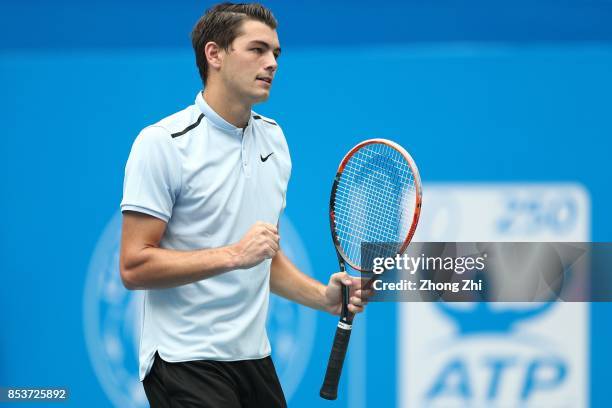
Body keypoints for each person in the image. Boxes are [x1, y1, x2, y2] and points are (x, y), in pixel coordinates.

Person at [119, 3, 369, 407]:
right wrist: (235, 254)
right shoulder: (163, 143)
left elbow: (264, 259)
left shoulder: (274, 141)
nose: (271, 63)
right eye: (257, 49)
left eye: (276, 53)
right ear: (214, 54)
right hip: (185, 360)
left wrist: (321, 296)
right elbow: (134, 265)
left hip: (254, 359)